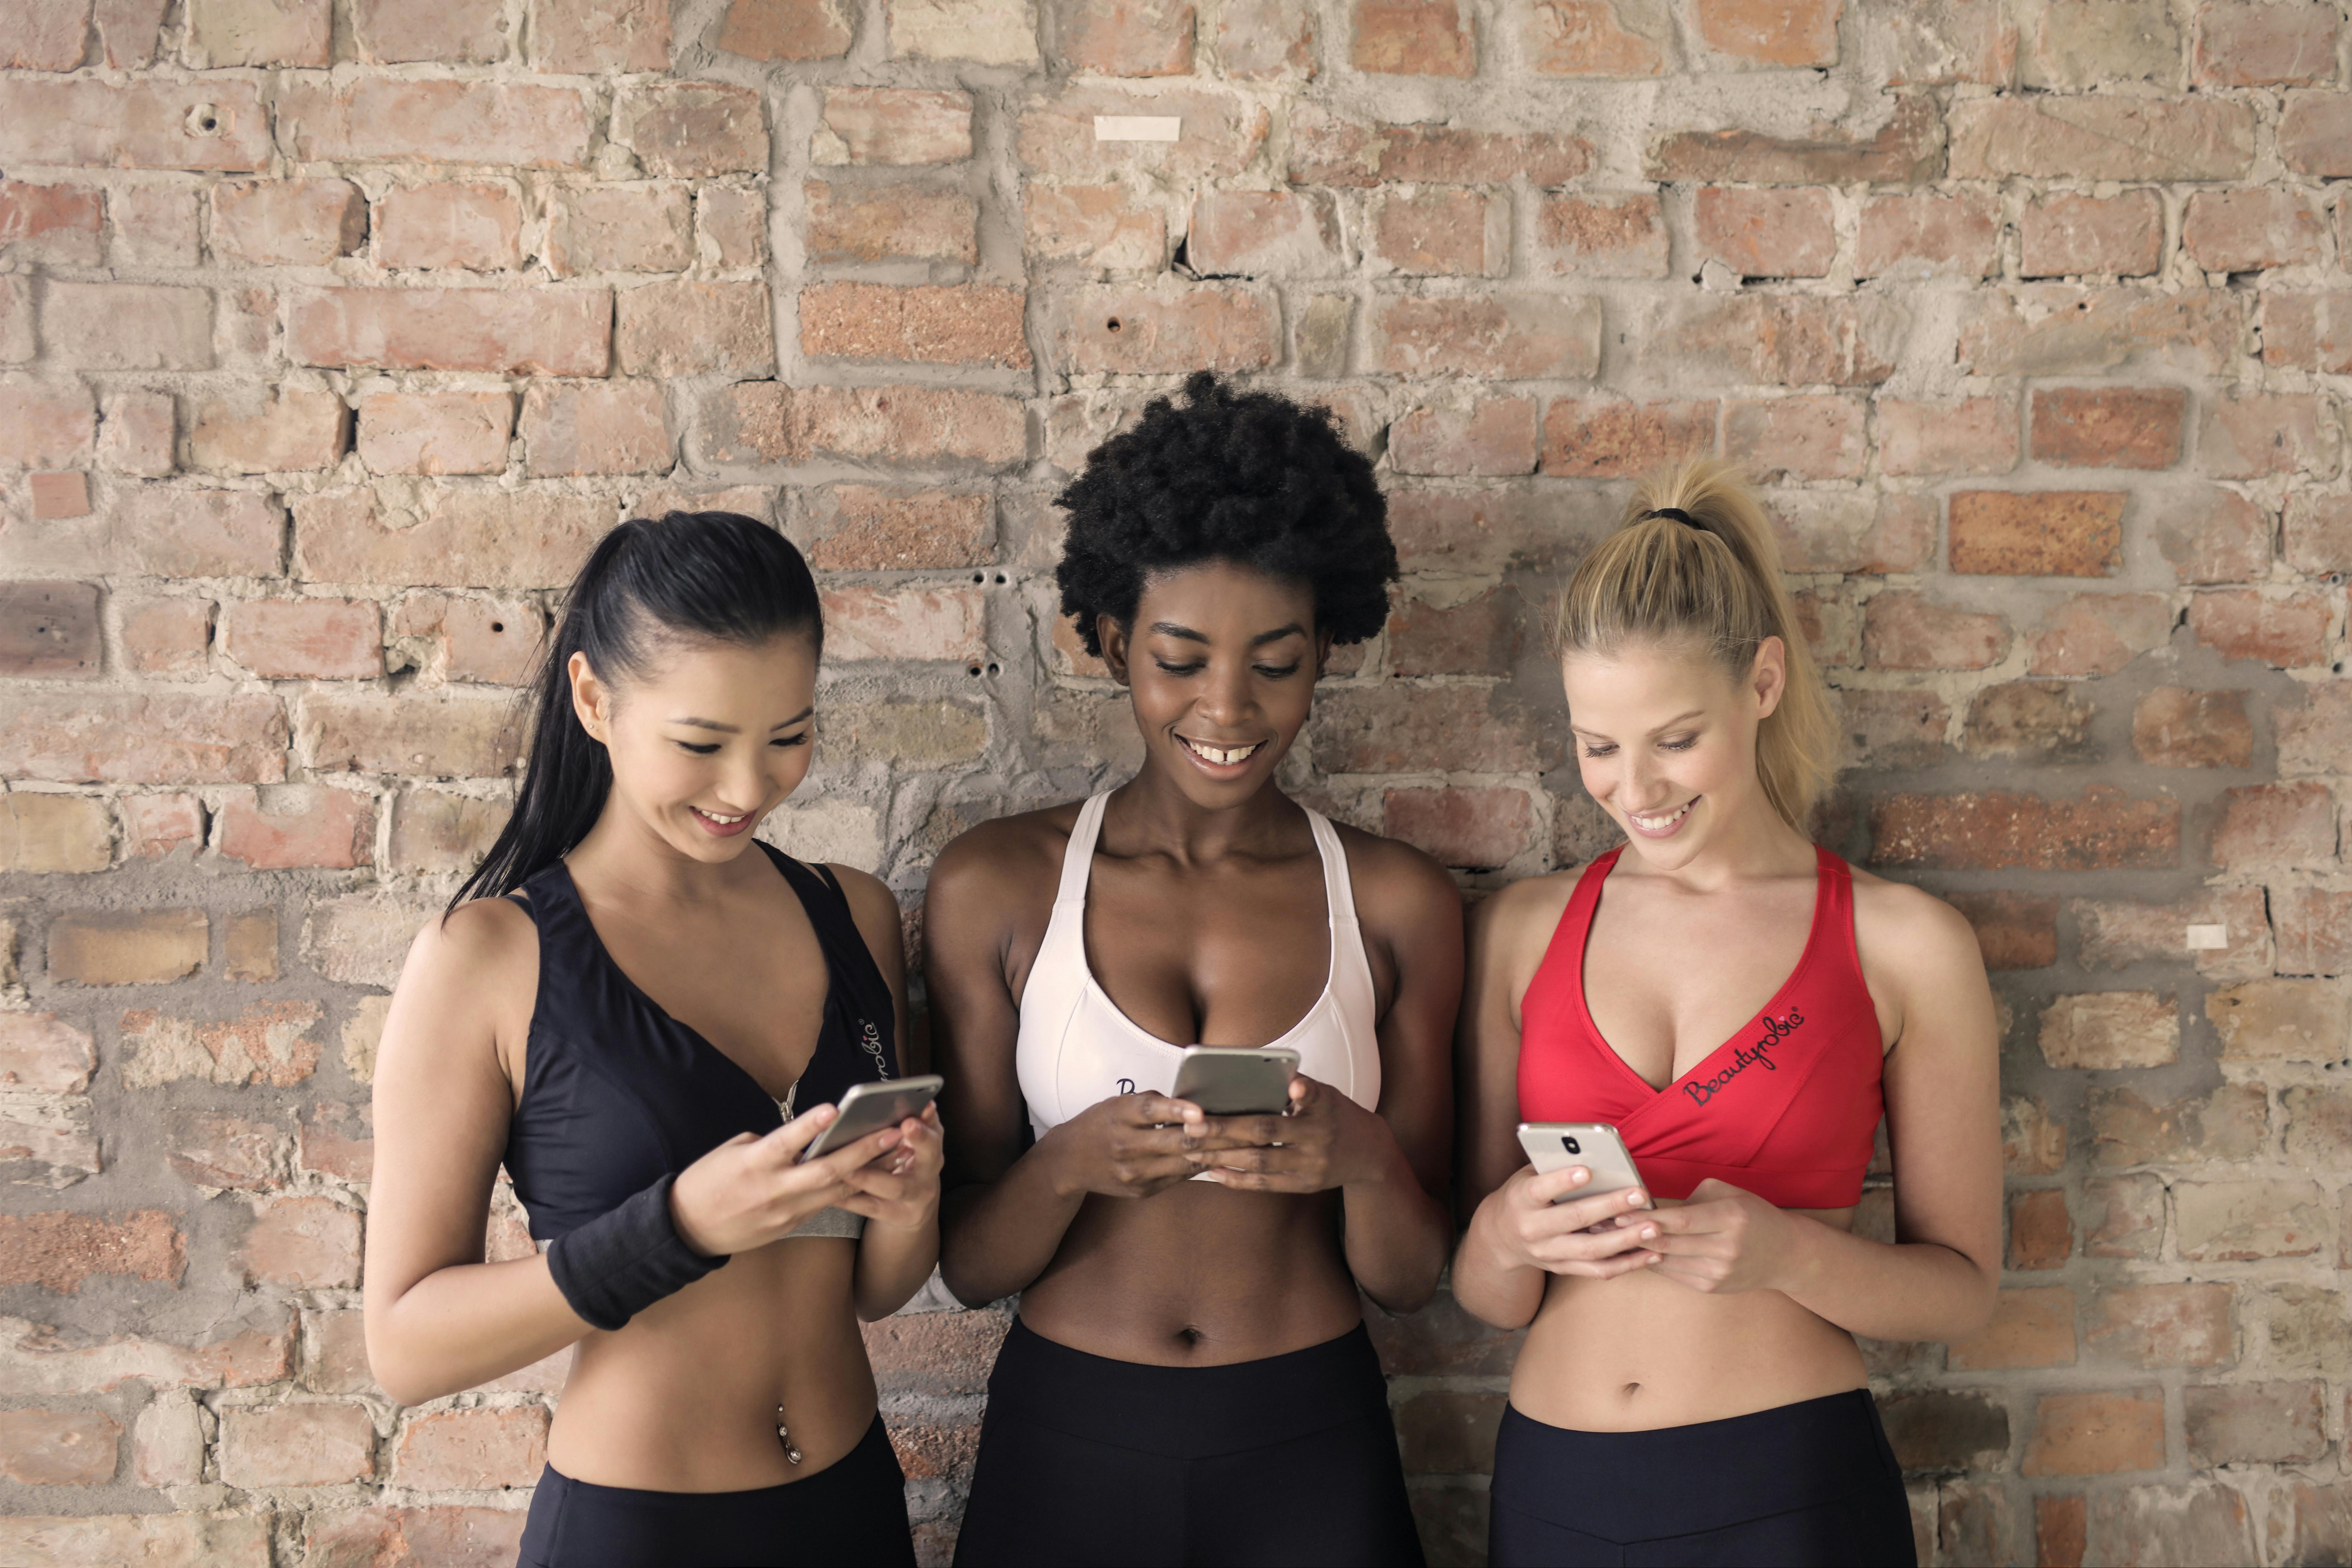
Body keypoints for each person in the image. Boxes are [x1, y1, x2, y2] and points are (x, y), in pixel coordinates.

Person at [925, 373, 1461, 1567]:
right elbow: (965, 1265)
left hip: (1307, 1437)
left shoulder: (1396, 901)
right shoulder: (997, 887)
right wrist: (1070, 1165)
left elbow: (1416, 1281)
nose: (1228, 707)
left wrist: (1359, 1161)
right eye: (1180, 658)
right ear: (1114, 640)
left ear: (1329, 648)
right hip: (1072, 1435)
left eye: (1276, 663)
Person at [363, 512, 943, 1568]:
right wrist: (676, 1227)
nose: (747, 790)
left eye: (788, 737)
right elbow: (403, 1346)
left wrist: (908, 1204)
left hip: (853, 1509)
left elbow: (871, 1290)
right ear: (595, 700)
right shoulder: (489, 956)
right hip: (638, 1532)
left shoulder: (850, 913)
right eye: (701, 744)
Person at [1451, 462, 2000, 1567]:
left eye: (1674, 739)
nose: (1635, 789)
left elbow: (1962, 1294)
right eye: (1598, 747)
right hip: (1555, 1492)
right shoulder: (1519, 930)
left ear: (1762, 683)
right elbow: (1487, 1297)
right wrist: (1507, 1232)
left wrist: (1788, 1254)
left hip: (1785, 1494)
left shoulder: (1904, 944)